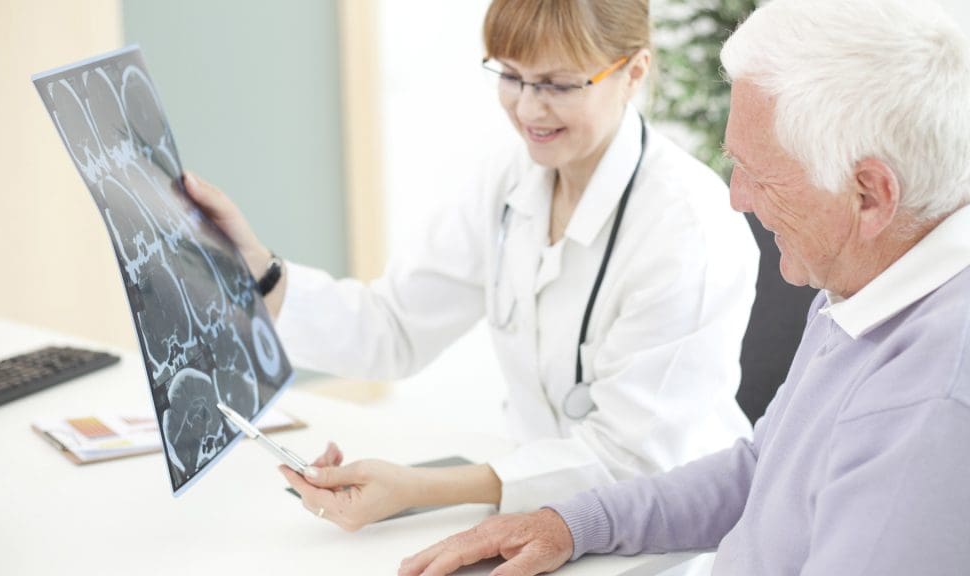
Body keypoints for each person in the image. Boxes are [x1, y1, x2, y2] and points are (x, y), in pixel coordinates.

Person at [397, 0, 970, 574]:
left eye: (759, 174)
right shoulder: (863, 285)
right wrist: (570, 523)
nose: (736, 198)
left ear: (870, 195)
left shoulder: (933, 407)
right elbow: (759, 470)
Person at [184, 0, 757, 532]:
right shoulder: (511, 181)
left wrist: (418, 488)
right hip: (540, 522)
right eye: (511, 75)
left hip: (665, 539)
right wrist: (256, 265)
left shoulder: (687, 226)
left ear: (634, 72)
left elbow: (632, 462)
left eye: (558, 84)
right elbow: (393, 329)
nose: (529, 109)